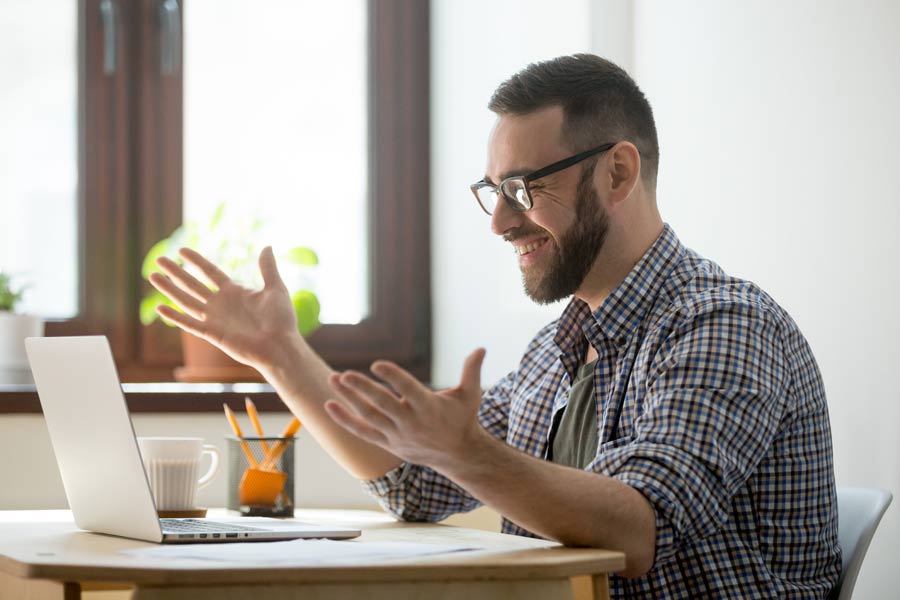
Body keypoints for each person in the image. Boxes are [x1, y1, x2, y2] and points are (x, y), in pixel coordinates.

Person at [150, 54, 841, 598]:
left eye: (522, 187)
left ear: (618, 172)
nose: (500, 221)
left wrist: (469, 453)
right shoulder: (559, 348)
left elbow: (639, 528)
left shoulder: (723, 325)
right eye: (493, 190)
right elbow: (414, 484)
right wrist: (279, 354)